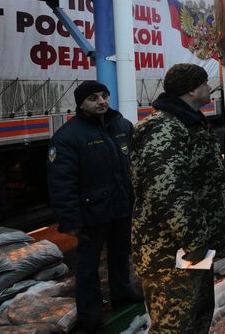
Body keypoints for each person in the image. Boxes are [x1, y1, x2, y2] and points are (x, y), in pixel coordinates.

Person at [130, 63, 225, 334]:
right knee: (174, 326)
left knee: (197, 318)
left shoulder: (188, 122)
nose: (210, 87)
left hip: (192, 249)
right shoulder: (163, 128)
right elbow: (169, 193)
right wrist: (194, 242)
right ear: (191, 90)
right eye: (204, 83)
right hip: (172, 252)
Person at [47, 80, 142, 333]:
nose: (101, 101)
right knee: (88, 266)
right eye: (93, 98)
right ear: (80, 103)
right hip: (92, 213)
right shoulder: (68, 137)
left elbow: (134, 165)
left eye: (104, 96)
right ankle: (90, 315)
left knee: (121, 254)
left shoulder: (122, 126)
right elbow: (62, 183)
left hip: (121, 206)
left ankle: (122, 293)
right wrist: (71, 220)